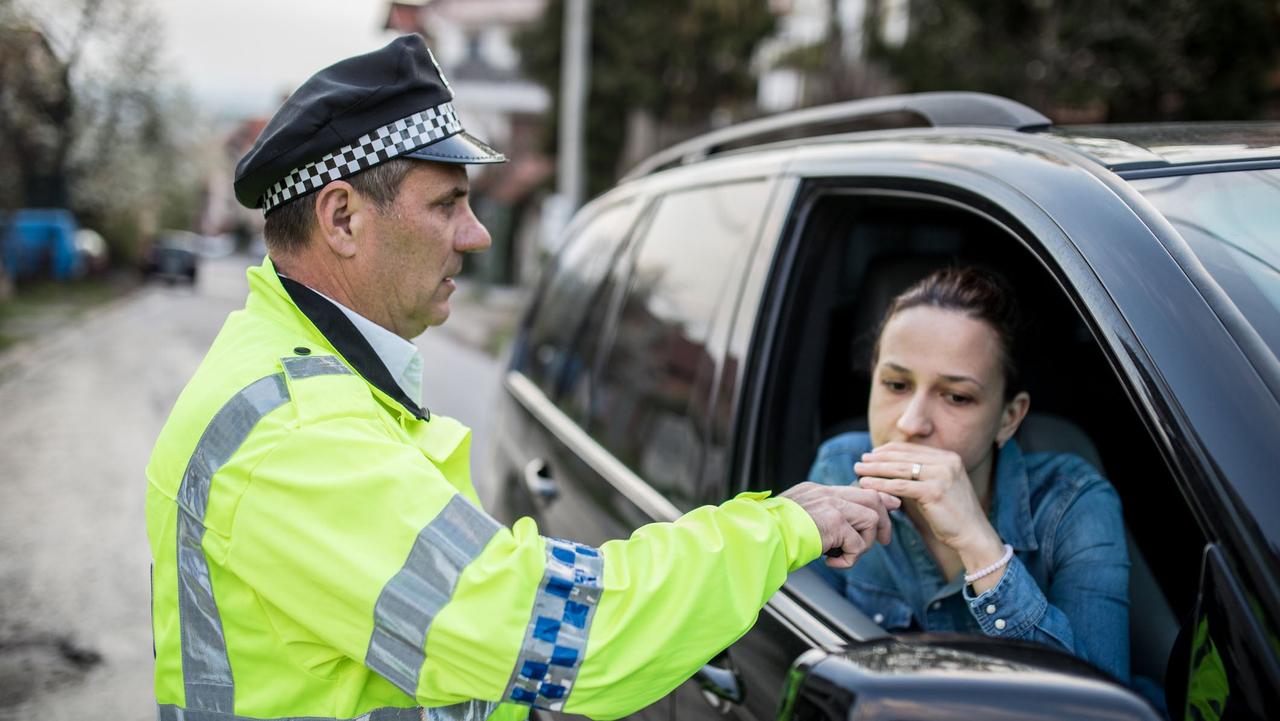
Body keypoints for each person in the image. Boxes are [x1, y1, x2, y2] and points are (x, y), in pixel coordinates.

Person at [145, 35, 898, 721]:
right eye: (448, 203)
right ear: (341, 219)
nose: (478, 234)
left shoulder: (304, 372)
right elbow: (562, 632)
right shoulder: (295, 434)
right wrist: (782, 525)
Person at [807, 267, 1130, 681]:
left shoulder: (1073, 504)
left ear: (1009, 418)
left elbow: (1099, 704)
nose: (911, 422)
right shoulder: (838, 467)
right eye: (896, 384)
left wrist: (980, 547)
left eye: (956, 397)